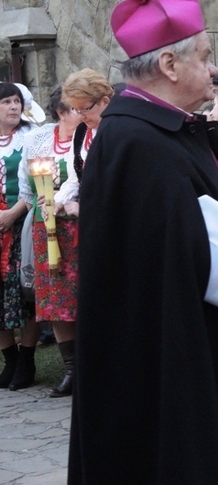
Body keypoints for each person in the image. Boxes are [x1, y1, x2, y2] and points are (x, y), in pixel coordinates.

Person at [69, 0, 218, 485]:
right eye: (203, 55)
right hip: (172, 361)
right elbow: (202, 251)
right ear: (169, 66)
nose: (215, 68)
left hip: (209, 341)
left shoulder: (172, 127)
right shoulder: (137, 141)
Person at [17, 87, 82, 398]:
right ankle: (71, 368)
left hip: (81, 227)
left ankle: (93, 363)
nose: (82, 114)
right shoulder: (39, 140)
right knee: (54, 300)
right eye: (76, 109)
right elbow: (26, 192)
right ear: (61, 112)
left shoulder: (90, 138)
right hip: (47, 230)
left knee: (85, 294)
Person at [0, 83, 37, 391]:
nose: (13, 107)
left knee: (23, 296)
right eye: (6, 102)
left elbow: (36, 183)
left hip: (21, 222)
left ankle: (27, 360)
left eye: (16, 101)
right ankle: (9, 359)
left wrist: (12, 213)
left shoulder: (30, 138)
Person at [55, 68, 114, 215]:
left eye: (85, 109)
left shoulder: (119, 131)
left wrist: (86, 209)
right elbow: (75, 179)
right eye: (76, 110)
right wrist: (59, 201)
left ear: (105, 102)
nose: (81, 116)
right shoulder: (81, 132)